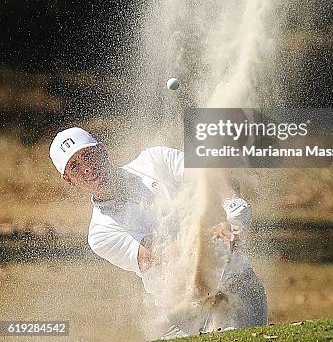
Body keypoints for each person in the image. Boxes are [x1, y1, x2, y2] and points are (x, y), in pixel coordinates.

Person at [49, 127, 267, 338]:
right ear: (69, 180)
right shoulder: (100, 233)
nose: (87, 168)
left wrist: (235, 207)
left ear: (103, 150)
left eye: (88, 156)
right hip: (178, 316)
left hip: (235, 289)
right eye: (75, 167)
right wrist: (214, 237)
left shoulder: (154, 160)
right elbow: (160, 255)